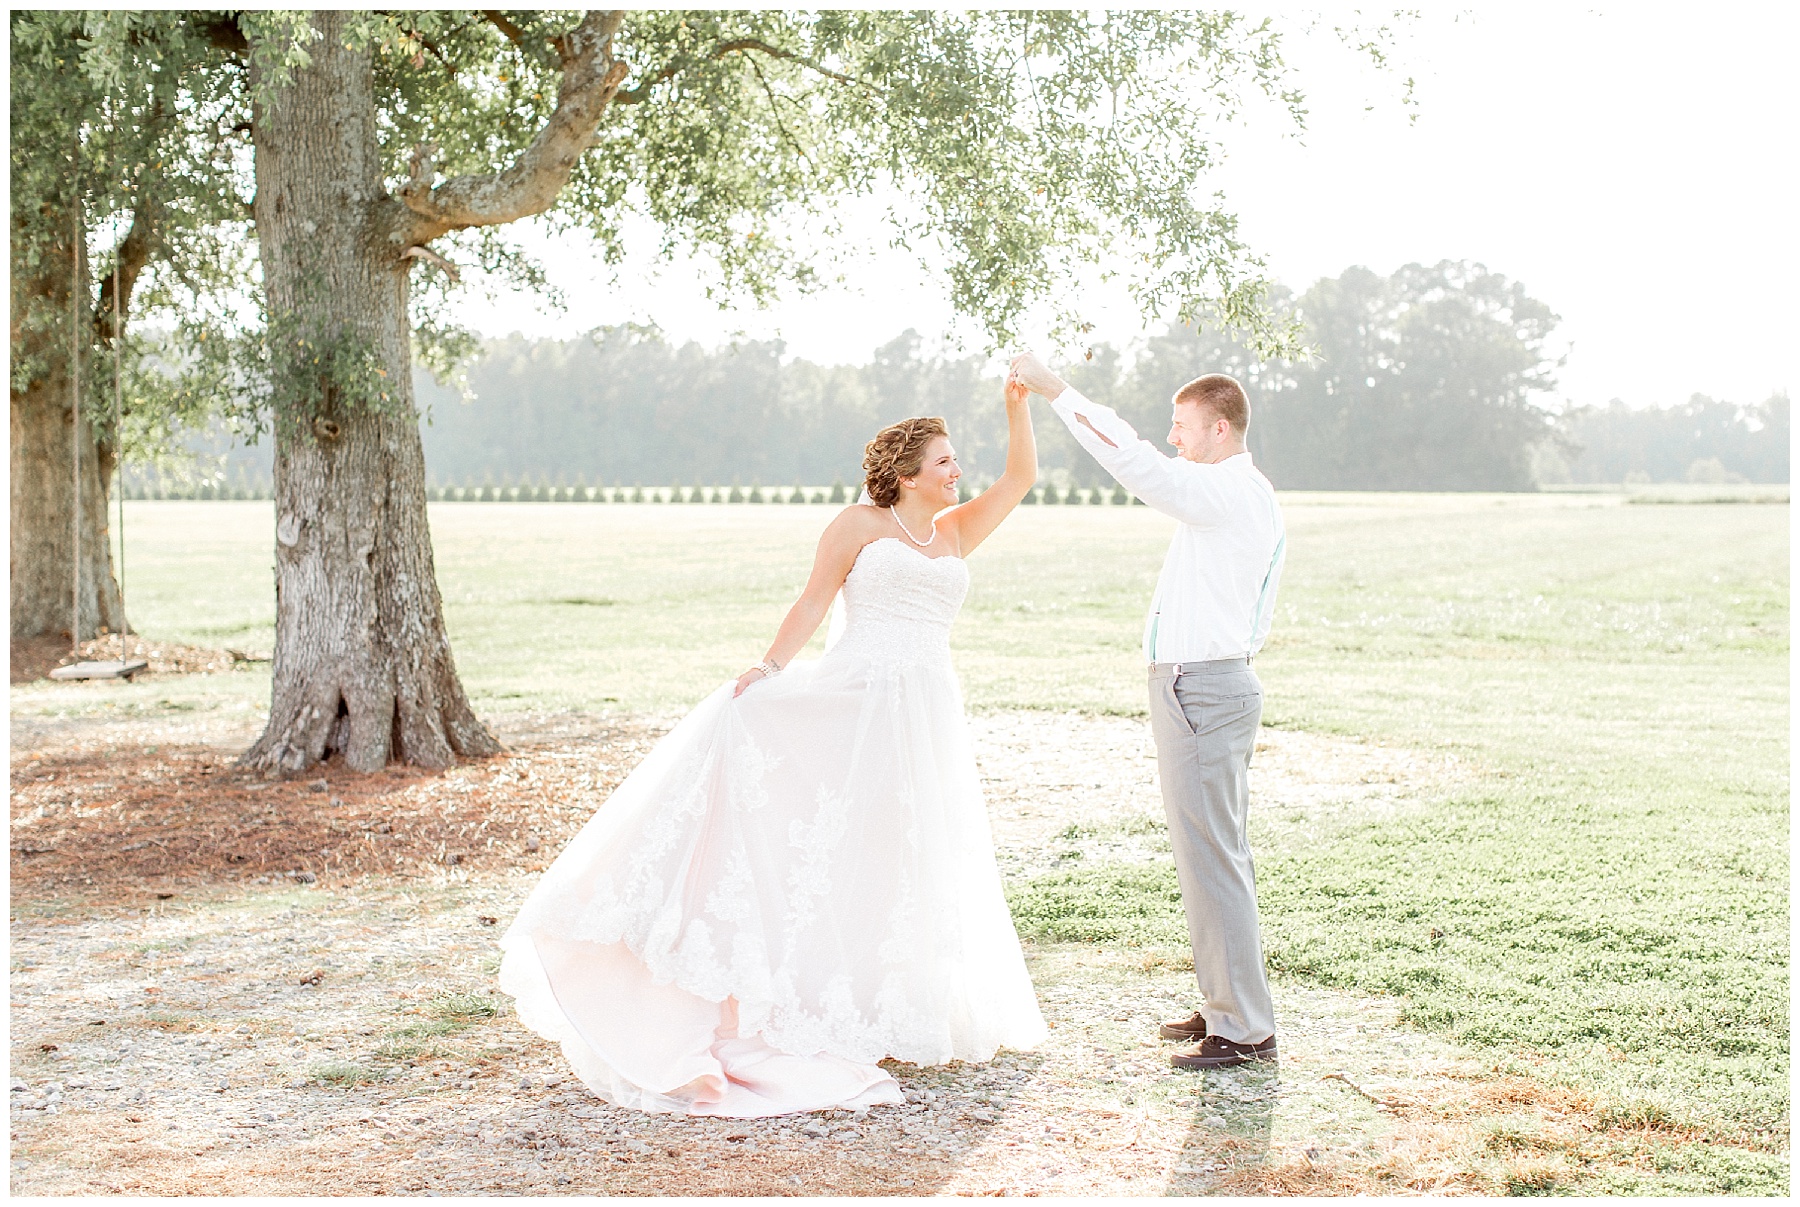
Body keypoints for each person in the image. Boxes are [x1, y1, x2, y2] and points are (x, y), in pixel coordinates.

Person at [499, 379, 1047, 1117]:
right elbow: (814, 600)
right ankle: (782, 991)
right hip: (852, 701)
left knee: (908, 850)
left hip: (925, 712)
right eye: (945, 461)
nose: (957, 470)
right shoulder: (857, 524)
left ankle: (884, 1002)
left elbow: (1023, 478)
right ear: (909, 472)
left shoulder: (952, 531)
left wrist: (1019, 406)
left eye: (955, 460)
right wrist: (770, 668)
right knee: (828, 840)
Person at [1008, 350, 1286, 1070]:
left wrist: (1058, 392)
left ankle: (1245, 1027)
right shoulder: (1231, 493)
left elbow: (1137, 463)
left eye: (1183, 425)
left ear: (1220, 429)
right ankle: (1227, 1001)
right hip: (1200, 685)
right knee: (1208, 855)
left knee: (1215, 856)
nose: (1174, 439)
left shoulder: (1227, 491)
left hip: (1204, 687)